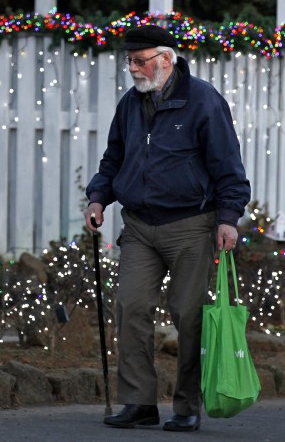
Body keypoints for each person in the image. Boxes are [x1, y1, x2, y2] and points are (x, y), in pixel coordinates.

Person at [84, 24, 250, 432]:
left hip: (191, 225)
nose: (134, 69)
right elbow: (114, 158)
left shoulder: (203, 101)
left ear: (165, 59)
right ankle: (139, 404)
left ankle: (187, 405)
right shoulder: (130, 105)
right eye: (130, 62)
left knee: (188, 315)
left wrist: (228, 218)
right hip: (140, 225)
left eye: (140, 61)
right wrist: (98, 197)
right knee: (132, 306)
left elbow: (227, 165)